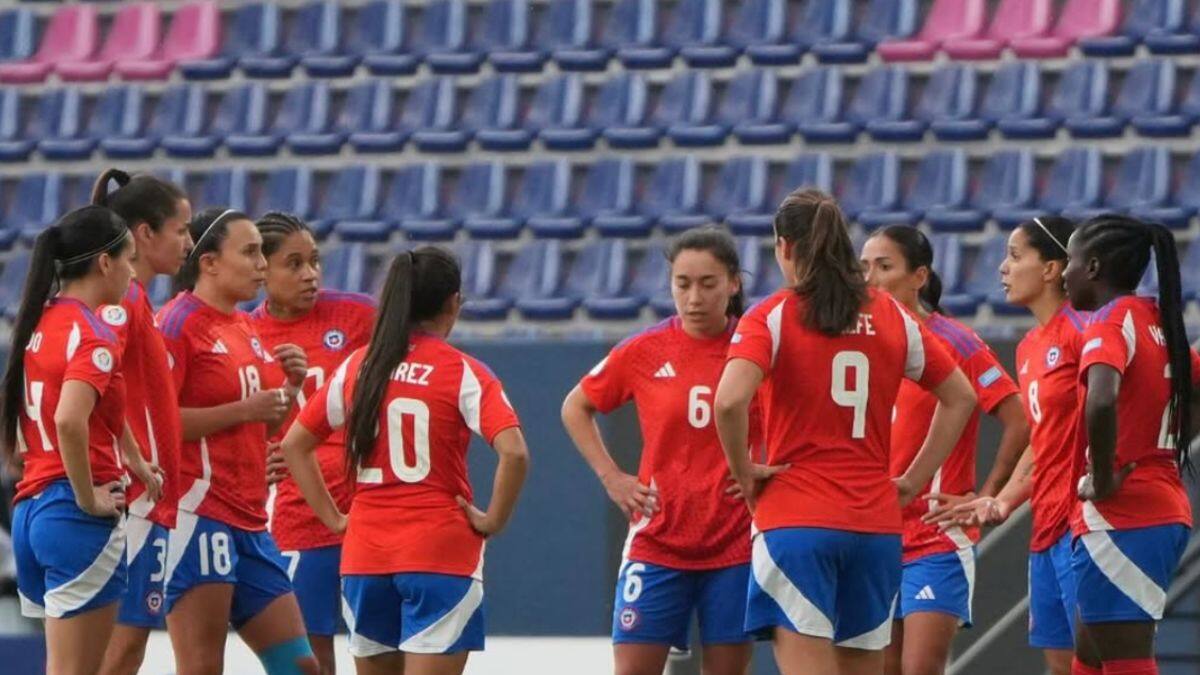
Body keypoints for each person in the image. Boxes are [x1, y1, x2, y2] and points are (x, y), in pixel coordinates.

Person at [713, 190, 977, 675]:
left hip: (797, 518)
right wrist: (913, 481)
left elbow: (728, 402)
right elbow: (961, 397)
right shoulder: (891, 313)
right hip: (875, 526)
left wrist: (744, 473)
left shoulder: (773, 314)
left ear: (784, 246)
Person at [280, 247, 530, 675]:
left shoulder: (359, 366)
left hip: (365, 555)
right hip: (440, 553)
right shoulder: (463, 371)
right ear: (453, 303)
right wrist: (493, 520)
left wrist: (335, 519)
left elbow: (294, 445)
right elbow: (515, 451)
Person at [561, 228, 760, 675]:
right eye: (682, 284)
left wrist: (762, 469)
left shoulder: (756, 349)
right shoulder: (646, 349)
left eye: (708, 284)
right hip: (658, 539)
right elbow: (575, 406)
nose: (694, 298)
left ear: (733, 283)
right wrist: (612, 477)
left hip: (734, 542)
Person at [859, 226, 1028, 675]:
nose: (870, 278)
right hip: (871, 536)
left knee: (920, 668)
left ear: (919, 277)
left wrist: (987, 496)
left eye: (884, 266)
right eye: (864, 267)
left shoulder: (955, 341)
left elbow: (1020, 420)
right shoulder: (856, 343)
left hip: (934, 536)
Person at [157, 208, 318, 675]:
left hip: (249, 520)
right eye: (249, 253)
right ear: (209, 262)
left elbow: (262, 425)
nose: (261, 265)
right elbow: (157, 424)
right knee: (203, 666)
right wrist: (243, 411)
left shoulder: (244, 326)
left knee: (300, 666)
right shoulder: (176, 325)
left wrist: (290, 386)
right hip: (198, 513)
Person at [1, 206, 159, 675]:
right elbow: (71, 419)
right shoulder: (94, 335)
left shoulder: (40, 322)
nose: (133, 272)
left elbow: (95, 408)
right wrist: (88, 495)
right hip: (75, 516)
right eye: (128, 259)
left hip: (32, 510)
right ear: (105, 263)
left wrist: (135, 460)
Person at [932, 217, 1089, 675]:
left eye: (1016, 256)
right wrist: (1001, 501)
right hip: (1047, 523)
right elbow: (1043, 441)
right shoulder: (1029, 346)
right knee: (1060, 662)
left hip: (1086, 525)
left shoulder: (1084, 331)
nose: (1002, 268)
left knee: (1099, 659)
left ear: (1052, 269)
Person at [1060, 215, 1199, 675]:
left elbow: (1101, 399)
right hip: (1159, 505)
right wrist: (1169, 443)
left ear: (1093, 267)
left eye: (1071, 261)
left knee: (1126, 662)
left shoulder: (1109, 321)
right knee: (1089, 652)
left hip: (1124, 514)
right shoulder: (1157, 320)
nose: (1064, 273)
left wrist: (1102, 478)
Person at [250, 211, 376, 675]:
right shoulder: (246, 334)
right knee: (309, 657)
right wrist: (253, 459)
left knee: (381, 648)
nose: (310, 275)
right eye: (295, 264)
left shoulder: (359, 316)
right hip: (299, 518)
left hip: (368, 510)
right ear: (262, 269)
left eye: (315, 261)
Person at [90, 169, 193, 675]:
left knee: (120, 651)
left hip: (145, 496)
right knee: (116, 650)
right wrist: (127, 463)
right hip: (131, 496)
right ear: (145, 234)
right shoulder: (123, 300)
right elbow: (88, 386)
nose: (189, 243)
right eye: (181, 230)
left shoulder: (138, 300)